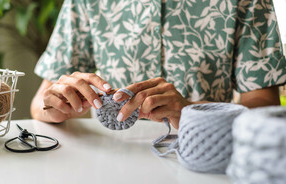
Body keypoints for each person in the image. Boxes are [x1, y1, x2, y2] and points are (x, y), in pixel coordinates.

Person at [31, 0, 286, 129]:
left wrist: (192, 111)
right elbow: (39, 103)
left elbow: (266, 105)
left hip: (209, 156)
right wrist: (52, 107)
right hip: (110, 165)